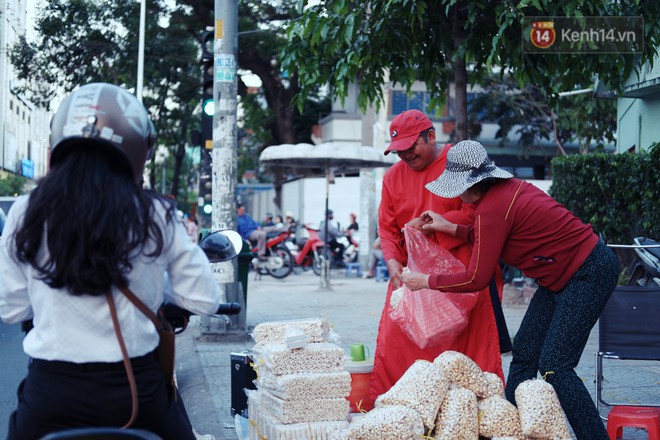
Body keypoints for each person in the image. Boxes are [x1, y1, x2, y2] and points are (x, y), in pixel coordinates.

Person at [0, 83, 224, 440]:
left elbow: (11, 311)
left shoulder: (25, 211)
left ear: (59, 138)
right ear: (138, 149)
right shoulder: (155, 213)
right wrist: (154, 287)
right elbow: (205, 299)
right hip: (137, 393)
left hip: (50, 397)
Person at [402, 140, 619, 440]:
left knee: (555, 365)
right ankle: (508, 429)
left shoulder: (491, 209)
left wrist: (424, 280)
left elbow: (475, 278)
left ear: (472, 185)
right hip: (560, 277)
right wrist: (450, 227)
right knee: (525, 353)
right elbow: (492, 235)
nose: (458, 196)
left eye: (458, 188)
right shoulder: (504, 193)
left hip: (588, 272)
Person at [368, 110, 504, 408]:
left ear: (431, 136)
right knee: (397, 340)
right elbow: (387, 228)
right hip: (412, 274)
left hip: (464, 270)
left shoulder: (459, 159)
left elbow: (482, 212)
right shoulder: (392, 177)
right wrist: (391, 260)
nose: (405, 155)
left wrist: (441, 224)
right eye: (399, 150)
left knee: (470, 346)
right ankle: (398, 411)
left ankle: (477, 411)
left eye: (411, 147)